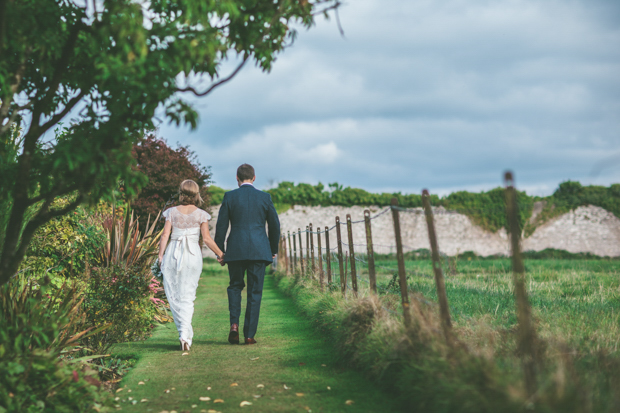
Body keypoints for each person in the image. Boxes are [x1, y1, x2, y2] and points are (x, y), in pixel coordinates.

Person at [215, 164, 280, 345]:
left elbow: (221, 226)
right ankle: (249, 335)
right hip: (259, 251)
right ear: (254, 177)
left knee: (235, 286)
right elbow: (275, 226)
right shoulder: (265, 197)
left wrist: (220, 252)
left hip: (235, 249)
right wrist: (273, 249)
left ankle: (234, 324)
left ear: (237, 178)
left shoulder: (229, 197)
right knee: (254, 292)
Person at [158, 179, 224, 351]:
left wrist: (160, 255)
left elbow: (165, 236)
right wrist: (221, 254)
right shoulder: (201, 214)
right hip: (192, 256)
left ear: (181, 193)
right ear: (196, 194)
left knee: (173, 295)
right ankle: (184, 336)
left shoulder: (171, 212)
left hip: (173, 253)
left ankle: (183, 333)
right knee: (188, 295)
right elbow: (207, 239)